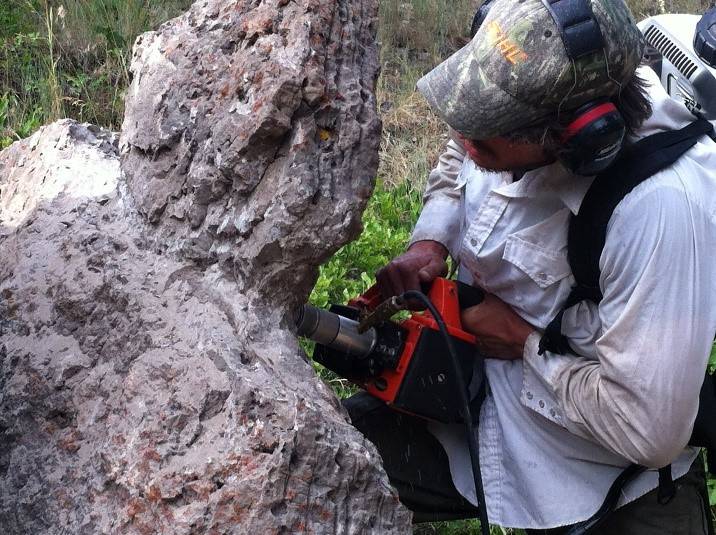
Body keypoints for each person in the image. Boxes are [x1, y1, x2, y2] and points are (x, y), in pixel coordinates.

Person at [344, 0, 716, 533]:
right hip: (476, 413)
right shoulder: (513, 109)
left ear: (579, 140)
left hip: (600, 476)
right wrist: (432, 240)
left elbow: (649, 433)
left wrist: (523, 342)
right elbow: (459, 153)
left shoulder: (658, 211)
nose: (464, 142)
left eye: (486, 138)